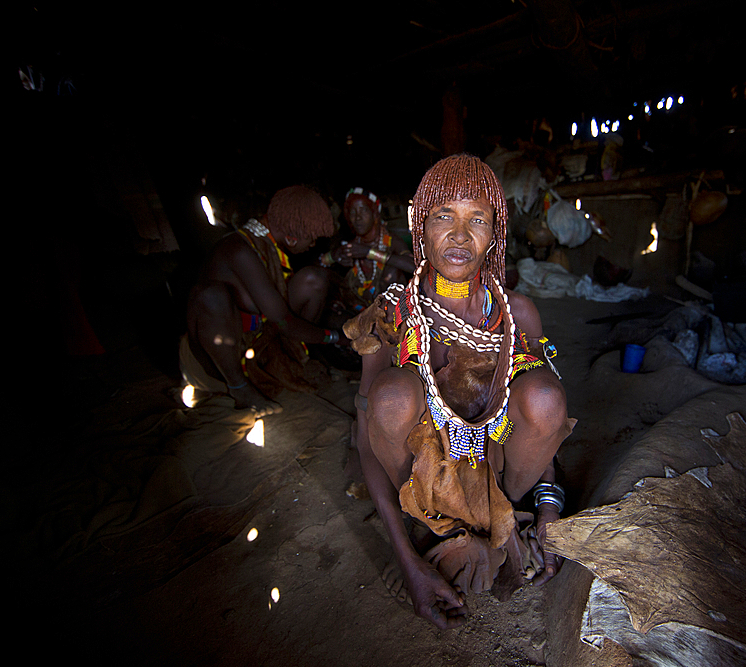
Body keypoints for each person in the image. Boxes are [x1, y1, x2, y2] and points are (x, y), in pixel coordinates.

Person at [344, 155, 574, 629]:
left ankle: (502, 516)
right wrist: (407, 562)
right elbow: (365, 440)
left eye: (478, 220)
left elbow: (546, 433)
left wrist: (549, 509)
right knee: (389, 397)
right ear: (419, 223)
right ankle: (431, 527)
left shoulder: (516, 315)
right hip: (425, 486)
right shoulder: (393, 315)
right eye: (444, 215)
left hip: (504, 473)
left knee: (546, 396)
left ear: (495, 234)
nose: (460, 235)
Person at [182, 185, 343, 416]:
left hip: (259, 346)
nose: (313, 243)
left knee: (313, 279)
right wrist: (336, 337)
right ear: (292, 236)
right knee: (211, 296)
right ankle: (238, 387)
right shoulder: (240, 250)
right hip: (218, 362)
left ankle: (302, 355)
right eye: (312, 237)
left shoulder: (269, 246)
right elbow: (283, 322)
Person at [321, 187, 414, 311]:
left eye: (363, 210)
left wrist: (369, 253)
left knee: (391, 271)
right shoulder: (351, 247)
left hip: (391, 313)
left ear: (374, 213)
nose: (357, 217)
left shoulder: (391, 241)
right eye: (352, 212)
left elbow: (413, 266)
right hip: (359, 314)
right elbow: (319, 267)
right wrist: (334, 256)